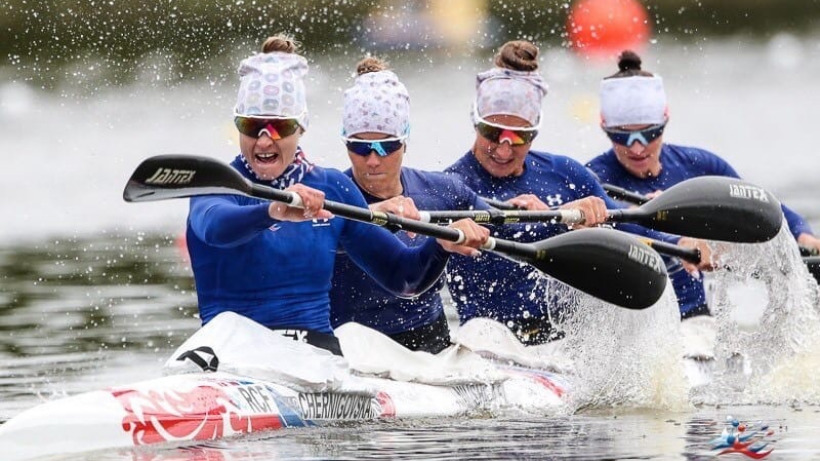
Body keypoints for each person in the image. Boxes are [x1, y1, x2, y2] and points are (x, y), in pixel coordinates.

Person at [185, 35, 489, 357]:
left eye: (279, 128)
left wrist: (439, 245)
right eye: (251, 126)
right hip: (227, 355)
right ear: (238, 127)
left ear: (301, 127)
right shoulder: (214, 184)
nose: (263, 141)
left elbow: (405, 279)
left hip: (314, 362)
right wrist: (272, 210)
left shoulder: (331, 189)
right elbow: (215, 227)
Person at [444, 40, 712, 345]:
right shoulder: (448, 188)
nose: (504, 149)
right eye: (493, 134)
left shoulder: (567, 174)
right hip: (489, 345)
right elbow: (408, 273)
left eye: (520, 138)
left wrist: (679, 242)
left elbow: (626, 225)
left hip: (568, 344)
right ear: (475, 122)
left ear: (535, 132)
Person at [586, 50, 820, 316]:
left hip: (700, 320)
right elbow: (622, 229)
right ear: (604, 127)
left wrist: (802, 233)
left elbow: (759, 208)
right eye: (622, 136)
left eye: (649, 133)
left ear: (665, 121)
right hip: (639, 323)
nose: (637, 148)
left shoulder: (700, 165)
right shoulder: (591, 180)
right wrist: (677, 238)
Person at [328, 57, 490, 354]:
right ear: (345, 143)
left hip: (429, 347)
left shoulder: (443, 191)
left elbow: (506, 224)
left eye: (386, 146)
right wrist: (367, 216)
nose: (373, 160)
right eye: (360, 147)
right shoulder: (328, 197)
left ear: (404, 141)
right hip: (350, 350)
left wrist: (564, 214)